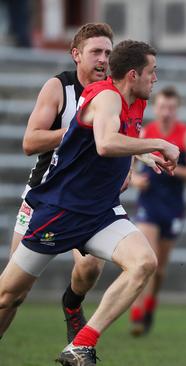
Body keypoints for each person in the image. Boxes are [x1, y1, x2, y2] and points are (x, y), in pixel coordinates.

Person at [0, 39, 180, 365]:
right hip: (61, 210)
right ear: (133, 74)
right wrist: (160, 143)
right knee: (7, 295)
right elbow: (105, 143)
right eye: (151, 72)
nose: (155, 79)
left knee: (143, 263)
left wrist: (143, 153)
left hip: (100, 212)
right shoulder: (108, 96)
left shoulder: (134, 100)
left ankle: (80, 344)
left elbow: (120, 138)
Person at [6, 22, 113, 344]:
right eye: (96, 51)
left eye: (108, 52)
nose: (103, 59)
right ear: (76, 55)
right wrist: (77, 131)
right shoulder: (58, 88)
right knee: (13, 294)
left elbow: (124, 138)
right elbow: (30, 142)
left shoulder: (112, 93)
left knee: (91, 267)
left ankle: (72, 305)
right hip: (44, 196)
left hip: (86, 202)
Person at [129, 85, 186, 336]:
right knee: (147, 260)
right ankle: (138, 314)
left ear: (177, 109)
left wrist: (173, 167)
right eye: (162, 107)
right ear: (155, 108)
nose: (166, 112)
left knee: (159, 269)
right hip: (148, 204)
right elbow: (128, 162)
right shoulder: (146, 133)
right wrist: (134, 179)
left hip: (172, 208)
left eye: (171, 108)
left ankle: (151, 303)